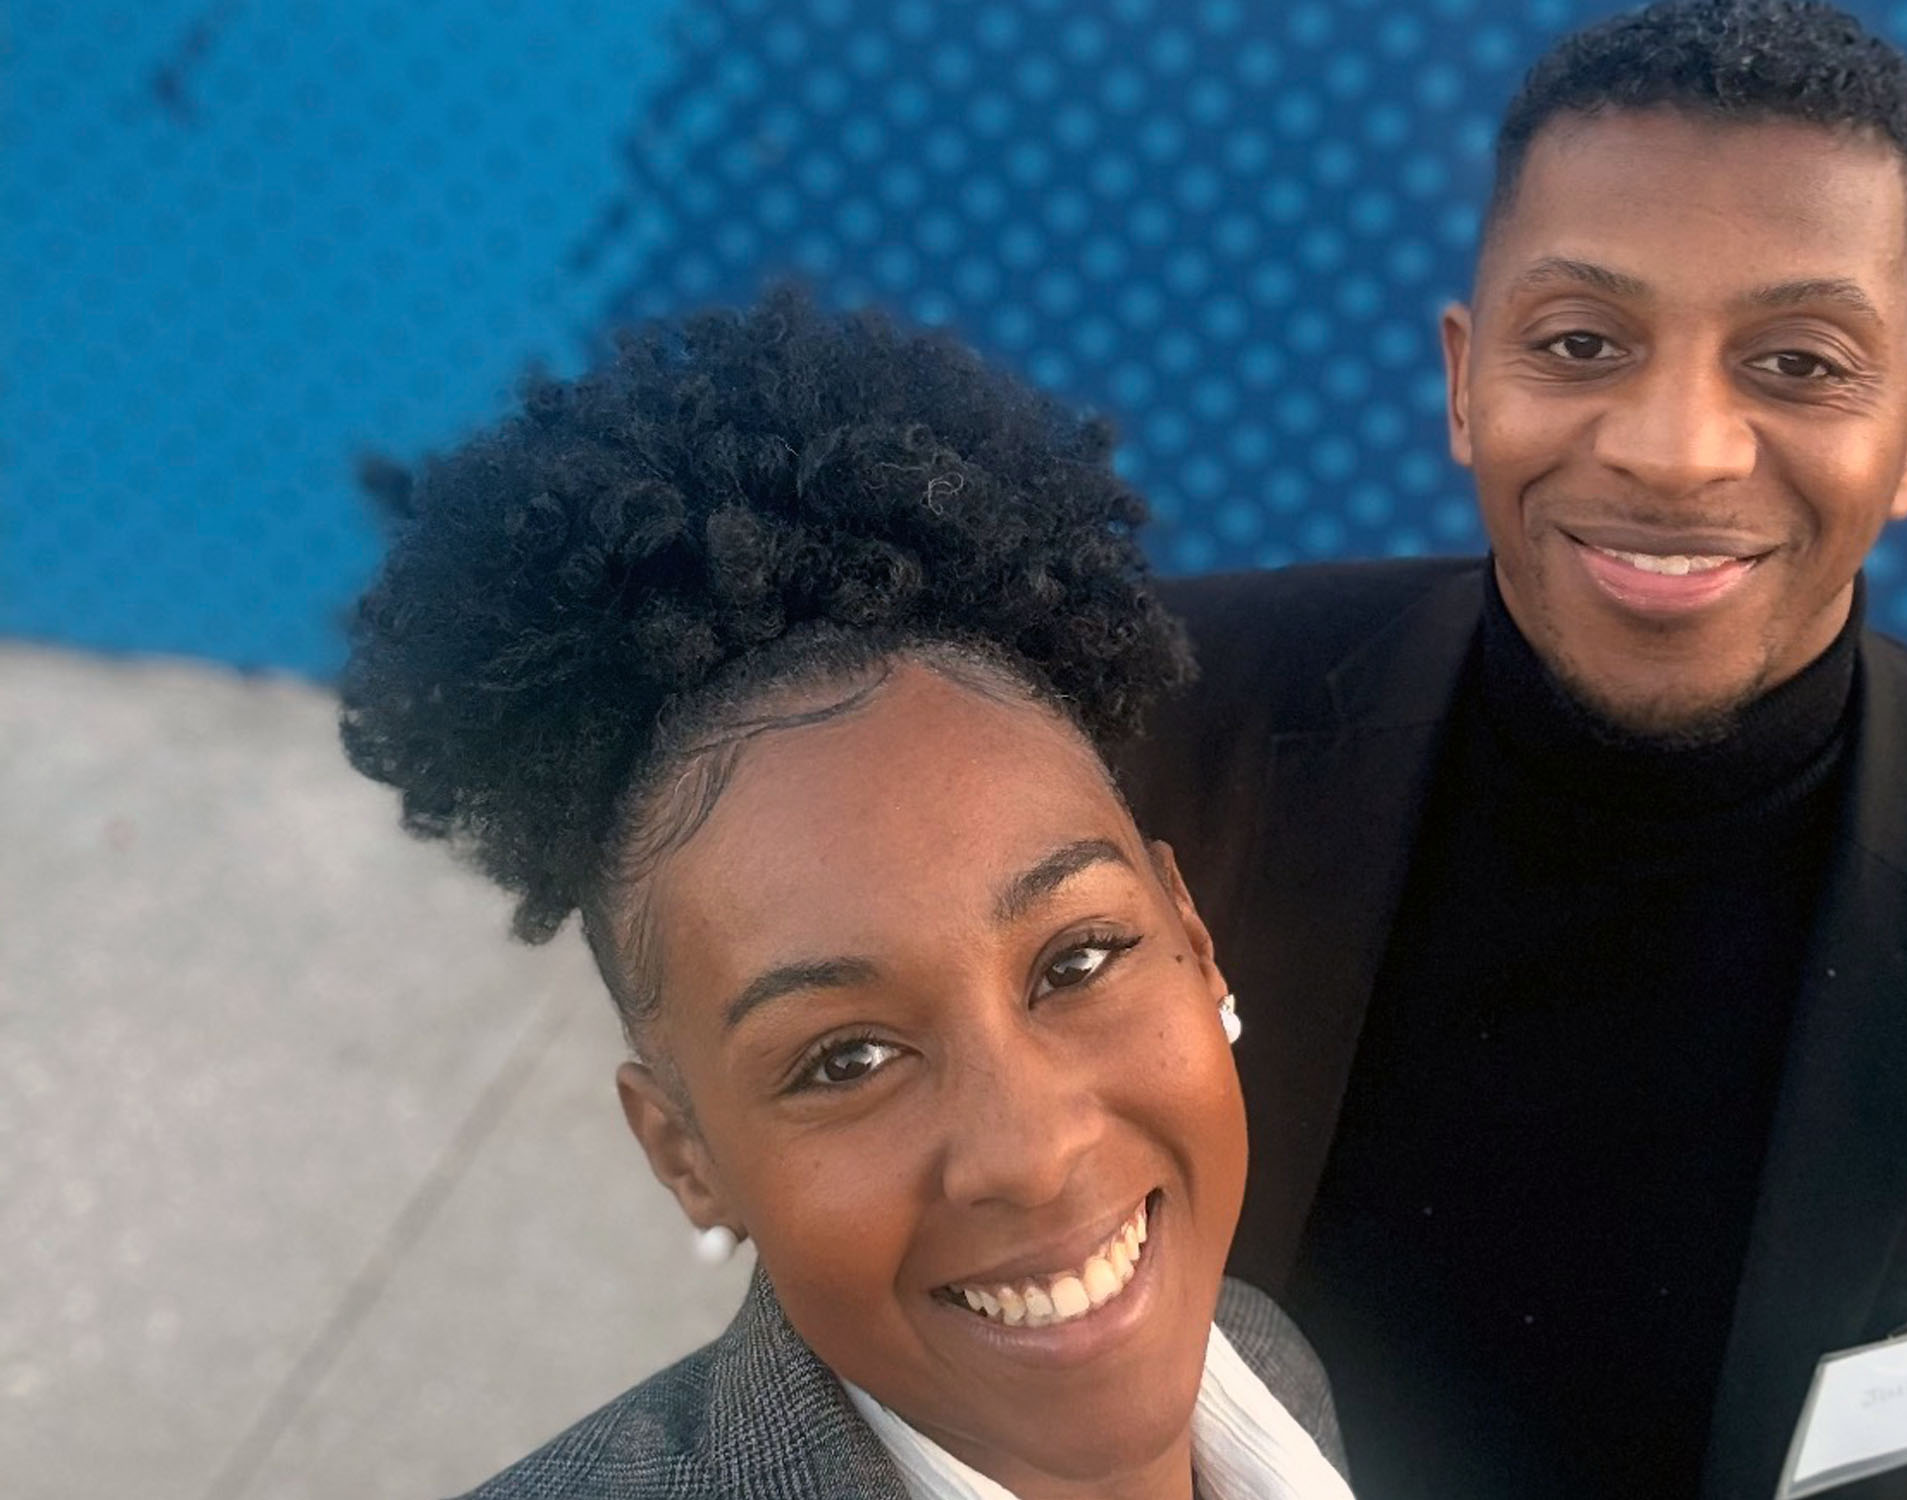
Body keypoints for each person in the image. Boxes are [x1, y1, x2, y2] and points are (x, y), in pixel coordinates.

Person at [1117, 2, 1907, 1497]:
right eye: (1583, 342)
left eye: (1796, 363)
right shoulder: (1157, 722)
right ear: (1468, 383)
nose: (1675, 448)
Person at [339, 289, 1352, 1500]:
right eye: (844, 1060)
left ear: (1192, 941)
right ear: (685, 1154)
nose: (1028, 1154)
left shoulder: (1259, 1355)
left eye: (1075, 961)